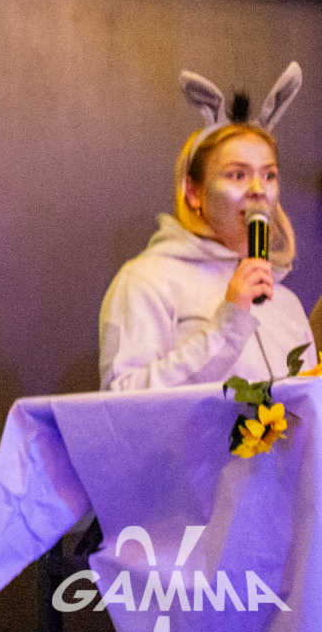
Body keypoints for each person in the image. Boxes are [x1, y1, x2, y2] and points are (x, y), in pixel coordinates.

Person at [100, 67, 313, 392]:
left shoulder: (287, 303)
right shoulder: (146, 281)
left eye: (269, 175)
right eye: (237, 175)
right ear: (193, 192)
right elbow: (121, 400)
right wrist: (229, 322)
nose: (258, 189)